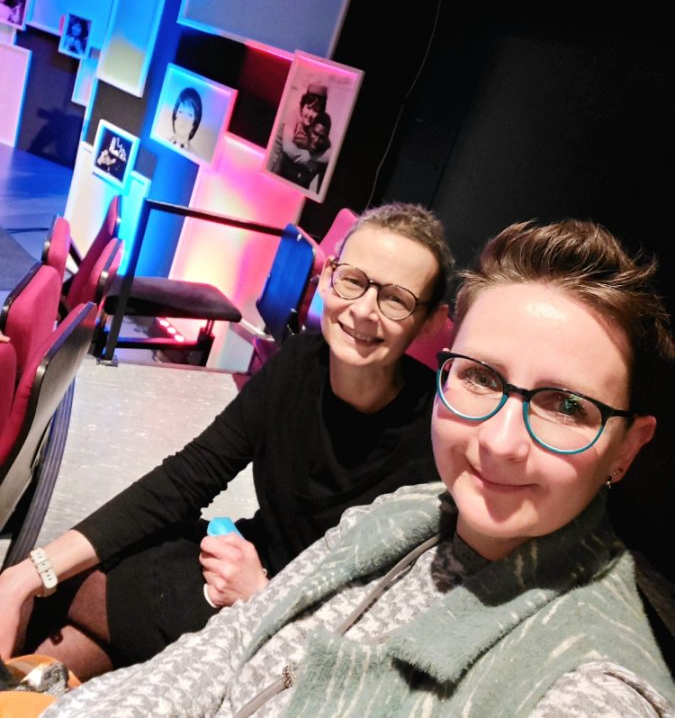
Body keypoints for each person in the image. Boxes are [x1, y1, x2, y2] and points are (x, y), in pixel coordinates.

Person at [35, 217, 675, 717]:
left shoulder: (595, 675)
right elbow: (237, 635)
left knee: (92, 597)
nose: (502, 442)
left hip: (254, 582)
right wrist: (34, 571)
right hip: (246, 577)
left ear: (628, 448)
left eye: (566, 405)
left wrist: (261, 596)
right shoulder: (398, 514)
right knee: (78, 581)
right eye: (481, 377)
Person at [0, 203, 453, 683]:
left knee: (72, 590)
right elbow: (187, 478)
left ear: (430, 322)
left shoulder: (438, 438)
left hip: (298, 629)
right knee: (62, 587)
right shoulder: (299, 361)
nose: (363, 309)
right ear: (327, 279)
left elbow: (397, 615)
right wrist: (26, 574)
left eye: (396, 299)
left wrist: (265, 596)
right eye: (353, 281)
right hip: (236, 564)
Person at [168, 86, 202, 150]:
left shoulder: (192, 155)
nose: (183, 119)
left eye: (189, 115)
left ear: (194, 123)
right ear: (175, 115)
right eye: (181, 112)